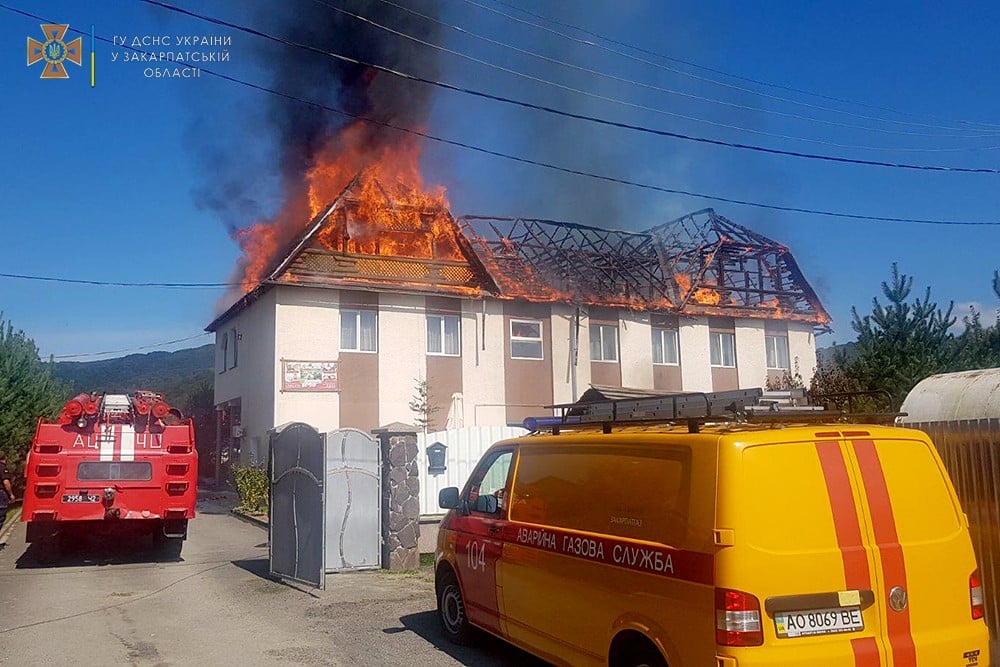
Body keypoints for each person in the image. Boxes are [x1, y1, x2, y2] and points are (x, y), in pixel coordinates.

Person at [0, 452, 14, 530]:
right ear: (5, 457)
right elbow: (6, 482)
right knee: (1, 516)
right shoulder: (2, 467)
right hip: (1, 493)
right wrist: (11, 494)